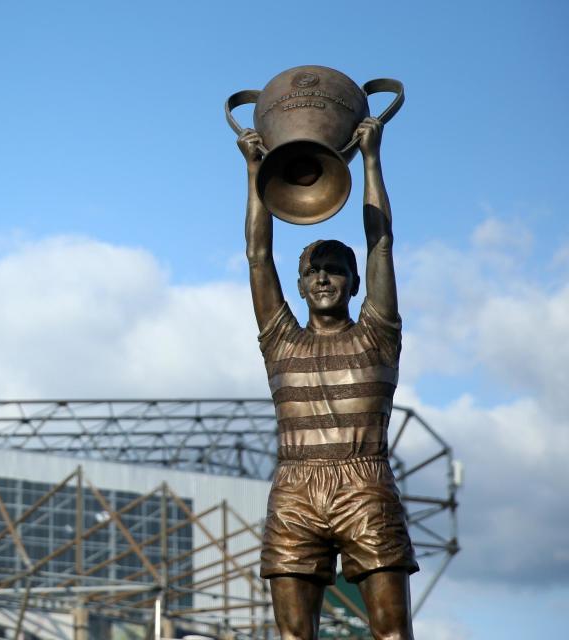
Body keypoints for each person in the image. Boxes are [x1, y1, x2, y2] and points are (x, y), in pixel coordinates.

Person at [237, 117, 417, 640]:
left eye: (335, 268)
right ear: (299, 285)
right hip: (295, 488)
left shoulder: (376, 334)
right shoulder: (281, 340)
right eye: (314, 270)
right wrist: (254, 173)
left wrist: (370, 160)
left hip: (365, 483)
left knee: (391, 632)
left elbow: (381, 243)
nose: (323, 277)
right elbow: (256, 257)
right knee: (294, 636)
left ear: (355, 281)